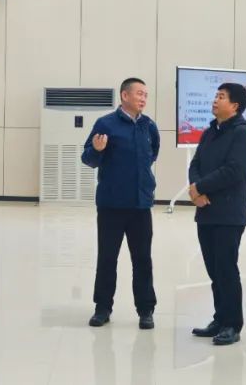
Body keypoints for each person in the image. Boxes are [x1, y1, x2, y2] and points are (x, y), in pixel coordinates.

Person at [81, 77, 161, 330]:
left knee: (142, 259)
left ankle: (146, 310)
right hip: (111, 205)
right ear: (125, 96)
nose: (143, 98)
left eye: (146, 95)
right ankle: (102, 308)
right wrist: (97, 149)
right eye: (139, 93)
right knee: (107, 258)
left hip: (140, 206)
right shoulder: (105, 124)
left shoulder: (149, 126)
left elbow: (152, 154)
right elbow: (88, 159)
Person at [188, 82, 246, 346]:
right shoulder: (210, 132)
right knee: (214, 269)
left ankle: (232, 324)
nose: (215, 100)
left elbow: (235, 170)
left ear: (235, 105)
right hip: (206, 210)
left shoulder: (242, 133)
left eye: (221, 97)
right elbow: (196, 163)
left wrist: (201, 187)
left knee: (226, 268)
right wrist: (195, 188)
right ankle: (220, 318)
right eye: (215, 96)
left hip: (229, 212)